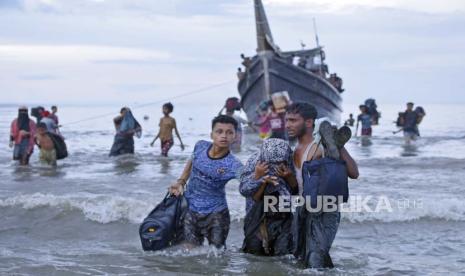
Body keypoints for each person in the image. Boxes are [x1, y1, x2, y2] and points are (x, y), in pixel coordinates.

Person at [285, 102, 359, 268]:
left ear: (309, 122)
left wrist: (339, 148)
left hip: (326, 210)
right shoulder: (294, 149)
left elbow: (354, 173)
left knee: (315, 259)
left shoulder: (320, 146)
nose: (288, 124)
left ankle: (336, 146)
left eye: (293, 120)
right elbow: (297, 189)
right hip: (302, 208)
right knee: (301, 258)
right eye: (287, 120)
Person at [169, 115, 243, 249]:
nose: (224, 136)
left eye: (229, 132)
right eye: (219, 131)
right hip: (190, 210)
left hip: (216, 215)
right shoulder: (200, 146)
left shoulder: (234, 165)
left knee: (217, 256)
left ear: (235, 137)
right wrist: (181, 181)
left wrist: (260, 176)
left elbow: (248, 183)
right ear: (212, 134)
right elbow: (192, 162)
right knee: (189, 253)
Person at [239, 138, 298, 256]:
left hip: (281, 215)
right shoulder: (254, 163)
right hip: (256, 216)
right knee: (254, 254)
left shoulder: (289, 163)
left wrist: (289, 177)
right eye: (271, 163)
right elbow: (244, 190)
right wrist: (257, 177)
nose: (275, 166)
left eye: (279, 162)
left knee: (284, 254)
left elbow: (296, 192)